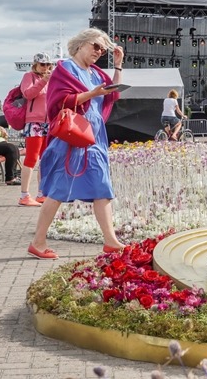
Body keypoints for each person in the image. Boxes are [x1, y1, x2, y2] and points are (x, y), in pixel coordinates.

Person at [27, 28, 126, 260]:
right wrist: (92, 94)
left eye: (103, 49)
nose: (99, 52)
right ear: (81, 44)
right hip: (71, 138)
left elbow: (111, 95)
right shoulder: (65, 68)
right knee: (59, 190)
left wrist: (118, 66)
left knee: (103, 187)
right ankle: (38, 242)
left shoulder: (96, 73)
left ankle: (111, 241)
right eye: (96, 46)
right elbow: (59, 102)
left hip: (94, 136)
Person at [18, 53, 54, 206]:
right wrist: (43, 81)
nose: (45, 67)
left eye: (47, 64)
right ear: (35, 65)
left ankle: (41, 192)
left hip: (48, 123)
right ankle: (24, 195)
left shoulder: (51, 79)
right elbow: (28, 94)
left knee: (45, 159)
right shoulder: (29, 76)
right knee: (31, 158)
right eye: (42, 64)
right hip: (34, 122)